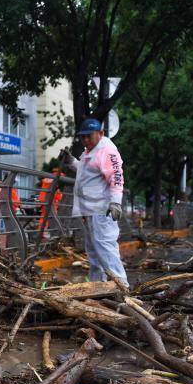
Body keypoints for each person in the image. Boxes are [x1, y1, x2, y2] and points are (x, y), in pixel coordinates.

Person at [60, 118, 128, 286]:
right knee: (94, 250)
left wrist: (115, 202)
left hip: (102, 209)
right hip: (91, 209)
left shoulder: (106, 150)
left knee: (105, 248)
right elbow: (86, 171)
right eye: (82, 137)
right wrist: (71, 162)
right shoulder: (91, 151)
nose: (85, 140)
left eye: (89, 136)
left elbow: (116, 177)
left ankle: (121, 286)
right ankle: (99, 285)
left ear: (101, 134)